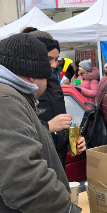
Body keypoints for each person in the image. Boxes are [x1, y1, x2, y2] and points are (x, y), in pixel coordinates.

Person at [0, 33, 81, 212]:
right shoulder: (6, 101)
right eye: (48, 72)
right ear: (33, 75)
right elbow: (23, 179)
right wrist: (67, 210)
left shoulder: (12, 97)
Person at [25, 28, 86, 169]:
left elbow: (62, 119)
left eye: (56, 59)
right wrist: (49, 127)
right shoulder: (22, 86)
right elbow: (18, 136)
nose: (54, 65)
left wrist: (74, 141)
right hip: (38, 165)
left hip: (59, 160)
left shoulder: (53, 81)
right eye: (48, 59)